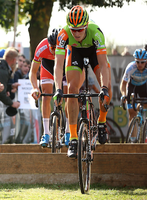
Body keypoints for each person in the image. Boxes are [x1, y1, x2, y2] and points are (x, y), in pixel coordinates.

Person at [53, 5, 112, 158]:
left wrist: (104, 87)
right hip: (75, 52)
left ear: (86, 26)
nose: (77, 33)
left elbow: (103, 65)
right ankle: (73, 138)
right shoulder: (64, 34)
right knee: (71, 90)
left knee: (107, 87)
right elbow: (58, 65)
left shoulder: (96, 32)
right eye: (73, 29)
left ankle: (101, 122)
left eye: (80, 29)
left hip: (94, 52)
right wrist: (58, 89)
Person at [29, 28, 70, 147]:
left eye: (57, 47)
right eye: (52, 47)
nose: (54, 50)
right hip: (48, 66)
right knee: (46, 96)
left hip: (64, 67)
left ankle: (68, 131)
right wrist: (35, 88)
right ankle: (46, 133)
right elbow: (32, 72)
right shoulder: (42, 47)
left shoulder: (68, 49)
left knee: (69, 96)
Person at [120, 49, 147, 142]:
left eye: (142, 62)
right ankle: (133, 139)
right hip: (133, 87)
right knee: (132, 112)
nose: (139, 64)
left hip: (143, 86)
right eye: (137, 62)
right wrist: (123, 95)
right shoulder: (131, 67)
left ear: (146, 61)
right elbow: (123, 84)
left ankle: (145, 127)